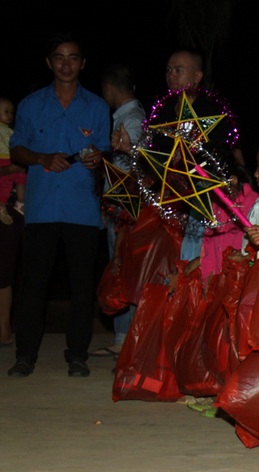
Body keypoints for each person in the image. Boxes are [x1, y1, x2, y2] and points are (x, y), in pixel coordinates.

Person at [7, 33, 109, 378]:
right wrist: (41, 157)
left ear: (83, 63)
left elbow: (105, 152)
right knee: (34, 283)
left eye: (73, 57)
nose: (66, 64)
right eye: (59, 57)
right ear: (49, 62)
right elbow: (17, 147)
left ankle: (77, 354)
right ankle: (25, 355)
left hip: (82, 208)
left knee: (83, 286)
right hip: (43, 208)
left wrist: (98, 159)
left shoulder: (96, 107)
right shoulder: (31, 104)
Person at [90, 64, 146, 358]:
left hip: (128, 206)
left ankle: (126, 339)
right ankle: (124, 337)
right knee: (123, 267)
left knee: (124, 267)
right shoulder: (130, 117)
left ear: (109, 88)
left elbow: (137, 167)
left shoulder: (132, 120)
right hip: (123, 205)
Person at [0, 96, 27, 347]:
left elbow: (21, 174)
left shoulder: (13, 140)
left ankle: (4, 330)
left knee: (5, 273)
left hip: (9, 210)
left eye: (10, 111)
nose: (7, 116)